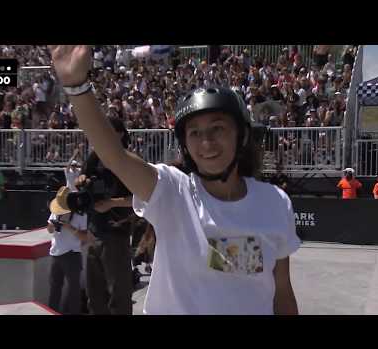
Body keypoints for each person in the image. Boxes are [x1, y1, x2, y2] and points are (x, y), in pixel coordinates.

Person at [49, 45, 300, 315]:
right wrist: (76, 85)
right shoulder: (173, 192)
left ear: (242, 136)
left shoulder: (275, 202)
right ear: (185, 145)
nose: (206, 142)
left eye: (218, 128)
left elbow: (282, 291)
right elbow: (115, 157)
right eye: (194, 133)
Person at [75, 116, 135, 315]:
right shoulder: (94, 157)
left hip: (116, 234)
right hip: (94, 233)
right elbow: (82, 177)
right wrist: (82, 179)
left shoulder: (128, 160)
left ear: (119, 133)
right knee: (95, 297)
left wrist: (111, 203)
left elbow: (139, 199)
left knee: (119, 298)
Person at [47, 186, 88, 314]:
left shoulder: (81, 215)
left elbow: (84, 237)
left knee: (73, 289)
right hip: (55, 253)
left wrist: (69, 227)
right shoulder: (56, 211)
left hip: (72, 254)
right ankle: (52, 311)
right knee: (54, 288)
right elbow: (49, 230)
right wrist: (53, 225)